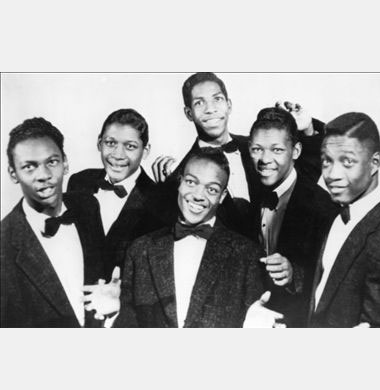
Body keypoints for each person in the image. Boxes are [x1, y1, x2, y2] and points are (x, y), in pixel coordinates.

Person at [83, 148, 286, 328]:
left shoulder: (246, 255)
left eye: (211, 189)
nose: (198, 195)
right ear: (179, 183)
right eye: (191, 182)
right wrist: (116, 313)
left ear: (222, 197)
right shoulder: (140, 250)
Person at [152, 72, 325, 236]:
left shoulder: (259, 149)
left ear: (229, 105)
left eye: (217, 99)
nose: (210, 109)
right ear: (189, 113)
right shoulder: (180, 175)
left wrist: (308, 130)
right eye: (199, 103)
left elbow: (304, 180)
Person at [1, 117, 105, 327]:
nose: (44, 175)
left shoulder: (87, 206)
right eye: (29, 167)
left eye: (52, 162)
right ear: (13, 174)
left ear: (65, 163)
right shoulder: (4, 243)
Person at [248, 107, 338, 326]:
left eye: (277, 150)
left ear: (296, 151)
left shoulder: (323, 207)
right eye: (257, 149)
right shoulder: (251, 193)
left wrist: (294, 274)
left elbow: (337, 277)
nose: (265, 159)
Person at [309, 112, 380, 327]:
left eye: (347, 161)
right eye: (326, 161)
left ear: (374, 163)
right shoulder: (336, 214)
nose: (332, 174)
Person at [67, 109, 164, 278]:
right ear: (99, 143)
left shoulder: (158, 200)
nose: (118, 155)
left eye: (130, 146)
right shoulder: (79, 182)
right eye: (110, 143)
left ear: (145, 151)